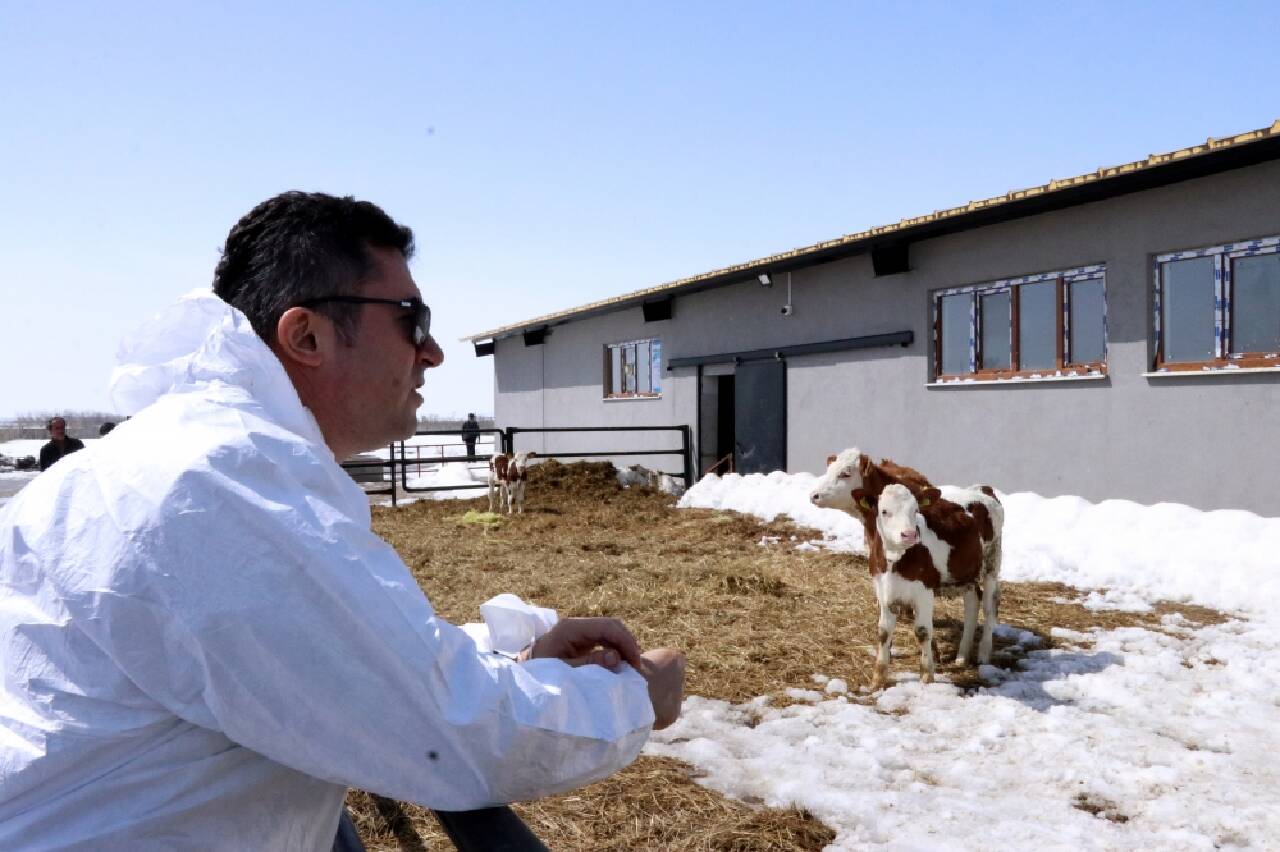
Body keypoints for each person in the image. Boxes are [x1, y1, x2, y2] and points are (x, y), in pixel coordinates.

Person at [0, 191, 685, 850]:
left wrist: (514, 658)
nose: (433, 351)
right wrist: (632, 694)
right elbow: (451, 737)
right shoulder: (215, 488)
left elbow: (342, 651)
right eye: (411, 319)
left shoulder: (179, 462)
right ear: (307, 336)